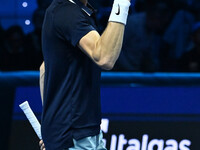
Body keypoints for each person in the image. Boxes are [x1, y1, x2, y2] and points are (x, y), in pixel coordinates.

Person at [39, 0, 131, 149]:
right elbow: (104, 57)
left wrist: (50, 128)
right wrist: (122, 3)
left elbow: (45, 69)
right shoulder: (67, 13)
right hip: (72, 136)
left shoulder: (69, 10)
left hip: (81, 133)